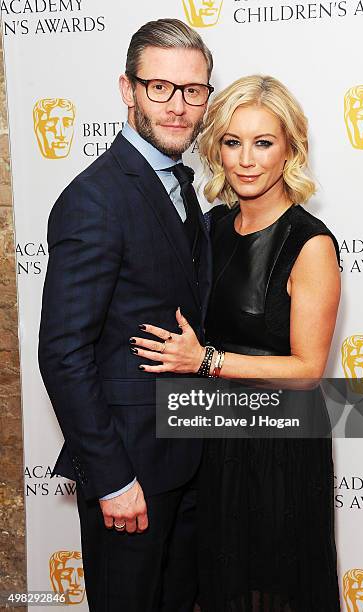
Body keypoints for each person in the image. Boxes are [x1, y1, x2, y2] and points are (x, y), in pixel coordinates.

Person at [130, 75, 341, 611]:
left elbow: (309, 369)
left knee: (269, 591)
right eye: (232, 142)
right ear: (215, 147)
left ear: (289, 149)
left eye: (263, 142)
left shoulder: (309, 242)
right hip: (214, 439)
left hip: (278, 451)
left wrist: (207, 361)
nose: (246, 159)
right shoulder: (212, 227)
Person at [38, 18, 213, 611]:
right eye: (159, 87)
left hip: (184, 457)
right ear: (127, 89)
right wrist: (112, 478)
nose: (177, 106)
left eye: (193, 90)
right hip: (130, 471)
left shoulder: (180, 183)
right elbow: (62, 352)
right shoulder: (96, 198)